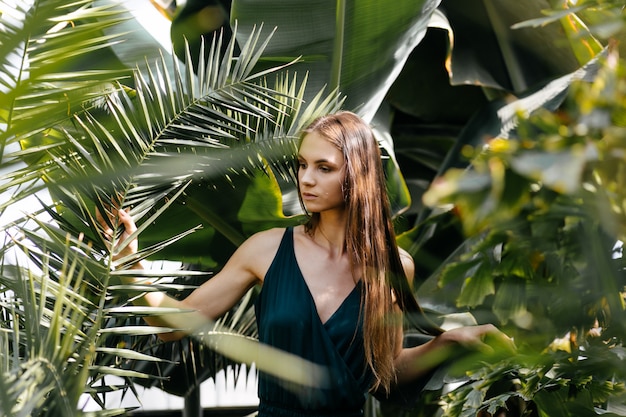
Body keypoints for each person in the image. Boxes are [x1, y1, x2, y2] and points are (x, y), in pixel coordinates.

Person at [99, 111, 512, 417]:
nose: (306, 179)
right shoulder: (265, 249)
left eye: (324, 167)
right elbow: (175, 326)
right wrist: (130, 266)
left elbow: (381, 378)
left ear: (358, 175)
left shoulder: (393, 266)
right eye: (301, 164)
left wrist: (450, 342)